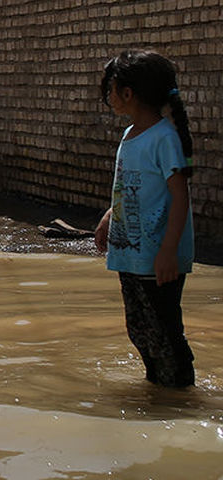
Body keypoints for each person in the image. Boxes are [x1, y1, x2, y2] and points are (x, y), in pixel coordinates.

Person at [94, 49, 195, 388]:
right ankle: (157, 387)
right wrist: (111, 215)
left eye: (111, 90)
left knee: (165, 333)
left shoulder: (164, 138)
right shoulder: (131, 135)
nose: (109, 98)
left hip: (158, 258)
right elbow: (127, 186)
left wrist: (168, 250)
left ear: (128, 93)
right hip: (133, 254)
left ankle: (180, 393)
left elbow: (180, 196)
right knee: (139, 330)